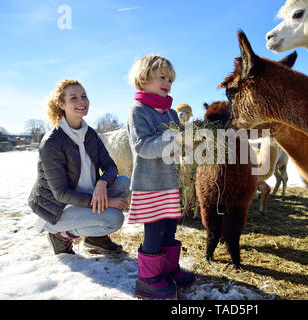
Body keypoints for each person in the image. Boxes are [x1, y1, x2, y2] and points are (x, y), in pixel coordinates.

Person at [28, 79, 130, 255]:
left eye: (84, 96)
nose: (81, 101)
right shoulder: (52, 142)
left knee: (124, 182)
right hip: (58, 208)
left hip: (85, 196)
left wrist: (102, 183)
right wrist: (106, 204)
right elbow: (61, 194)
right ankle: (60, 234)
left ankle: (95, 238)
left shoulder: (90, 134)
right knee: (114, 219)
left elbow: (110, 166)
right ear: (61, 104)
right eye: (73, 97)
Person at [126, 54, 196, 299]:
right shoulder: (138, 111)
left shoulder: (171, 113)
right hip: (149, 184)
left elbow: (175, 147)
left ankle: (168, 269)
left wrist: (187, 142)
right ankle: (147, 279)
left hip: (169, 183)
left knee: (169, 228)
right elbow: (142, 147)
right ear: (143, 79)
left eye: (170, 79)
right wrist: (174, 139)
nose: (167, 83)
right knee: (154, 230)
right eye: (162, 77)